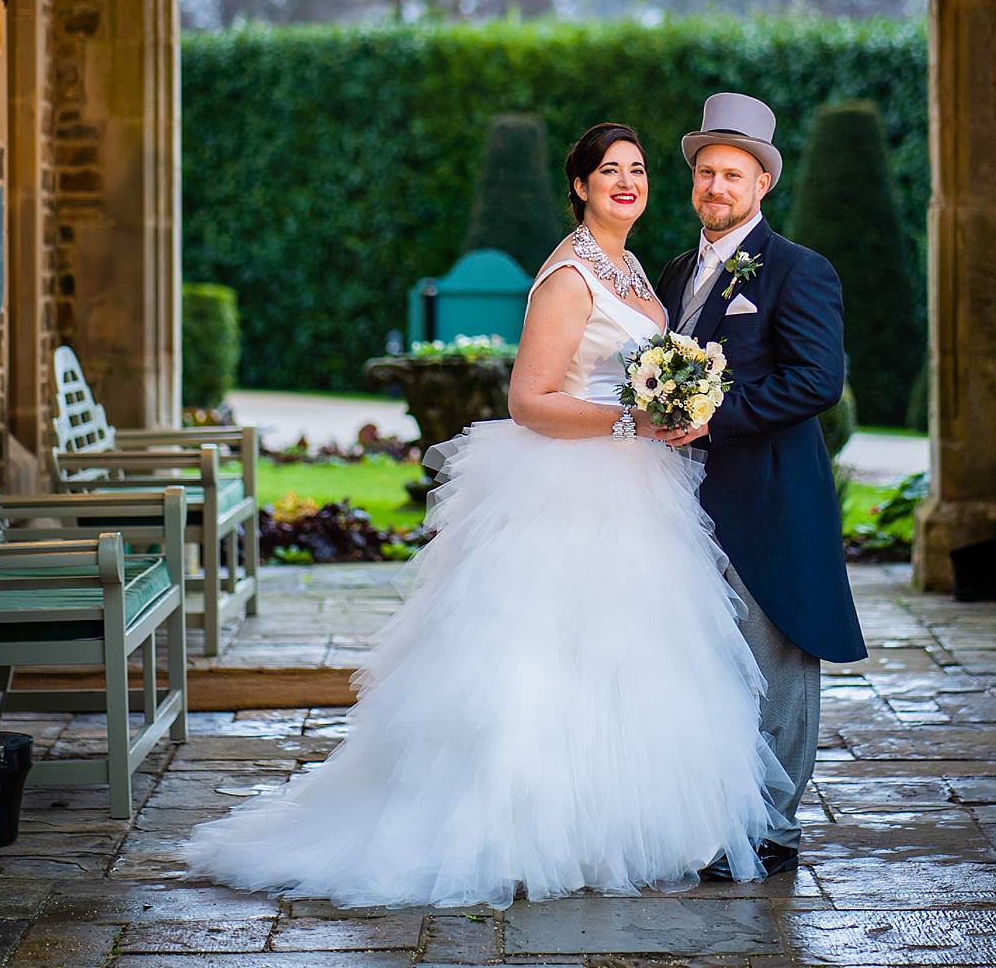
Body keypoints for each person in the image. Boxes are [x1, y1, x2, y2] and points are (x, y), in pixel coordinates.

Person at [181, 122, 791, 909]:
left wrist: (669, 403)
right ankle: (520, 829)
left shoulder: (639, 267)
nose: (627, 182)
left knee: (632, 658)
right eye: (609, 171)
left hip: (641, 491)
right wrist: (630, 421)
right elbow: (528, 400)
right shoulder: (571, 275)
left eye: (637, 170)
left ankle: (613, 820)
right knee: (549, 660)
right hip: (574, 487)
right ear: (579, 186)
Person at [656, 92, 865, 881]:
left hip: (772, 496)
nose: (716, 187)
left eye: (732, 175)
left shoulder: (800, 270)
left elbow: (819, 381)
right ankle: (718, 814)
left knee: (775, 658)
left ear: (761, 184)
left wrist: (717, 418)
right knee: (707, 661)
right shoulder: (677, 272)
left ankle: (773, 829)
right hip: (682, 501)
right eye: (706, 173)